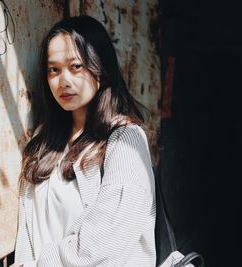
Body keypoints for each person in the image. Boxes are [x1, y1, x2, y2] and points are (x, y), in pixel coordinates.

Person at [12, 15, 156, 267]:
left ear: (101, 67)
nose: (64, 81)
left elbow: (104, 245)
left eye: (75, 66)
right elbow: (27, 231)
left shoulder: (125, 141)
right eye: (53, 69)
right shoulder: (44, 138)